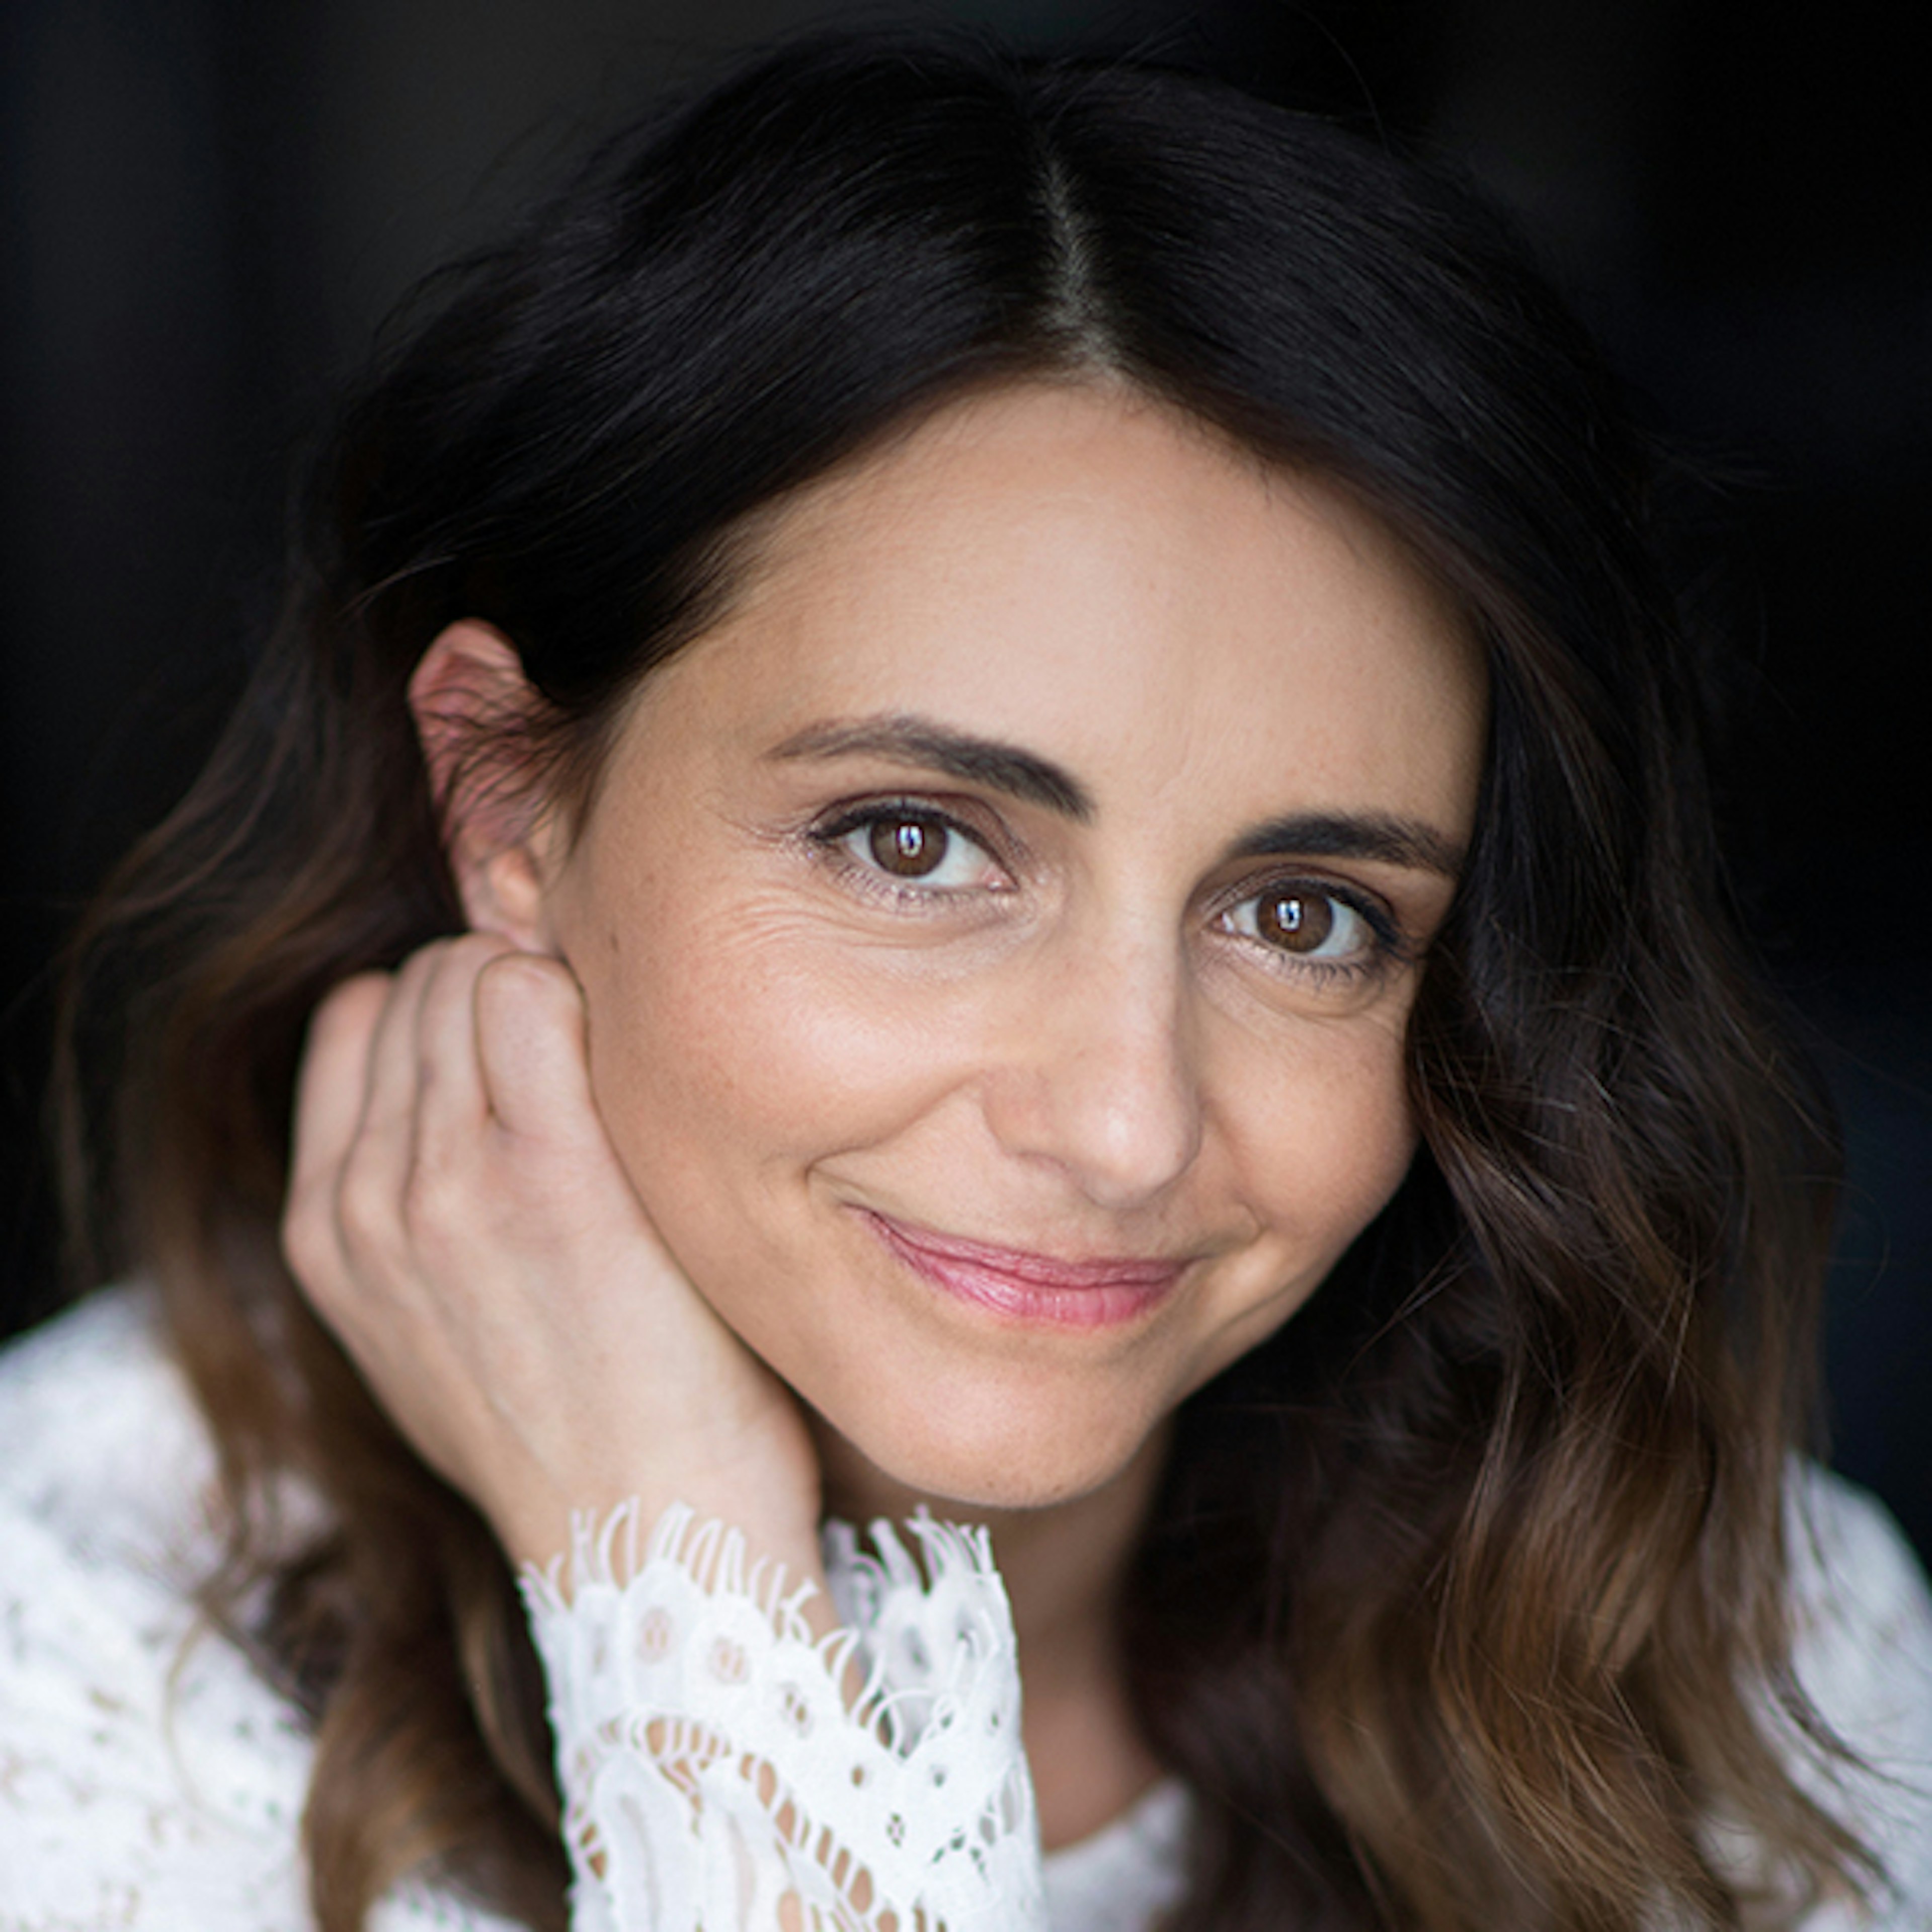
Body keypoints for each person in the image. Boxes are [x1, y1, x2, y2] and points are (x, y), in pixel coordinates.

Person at [2, 31, 1927, 1932]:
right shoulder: (73, 1662)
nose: (1121, 1121)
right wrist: (673, 1567)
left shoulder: (1748, 1652)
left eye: (1307, 914)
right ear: (509, 801)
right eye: (914, 843)